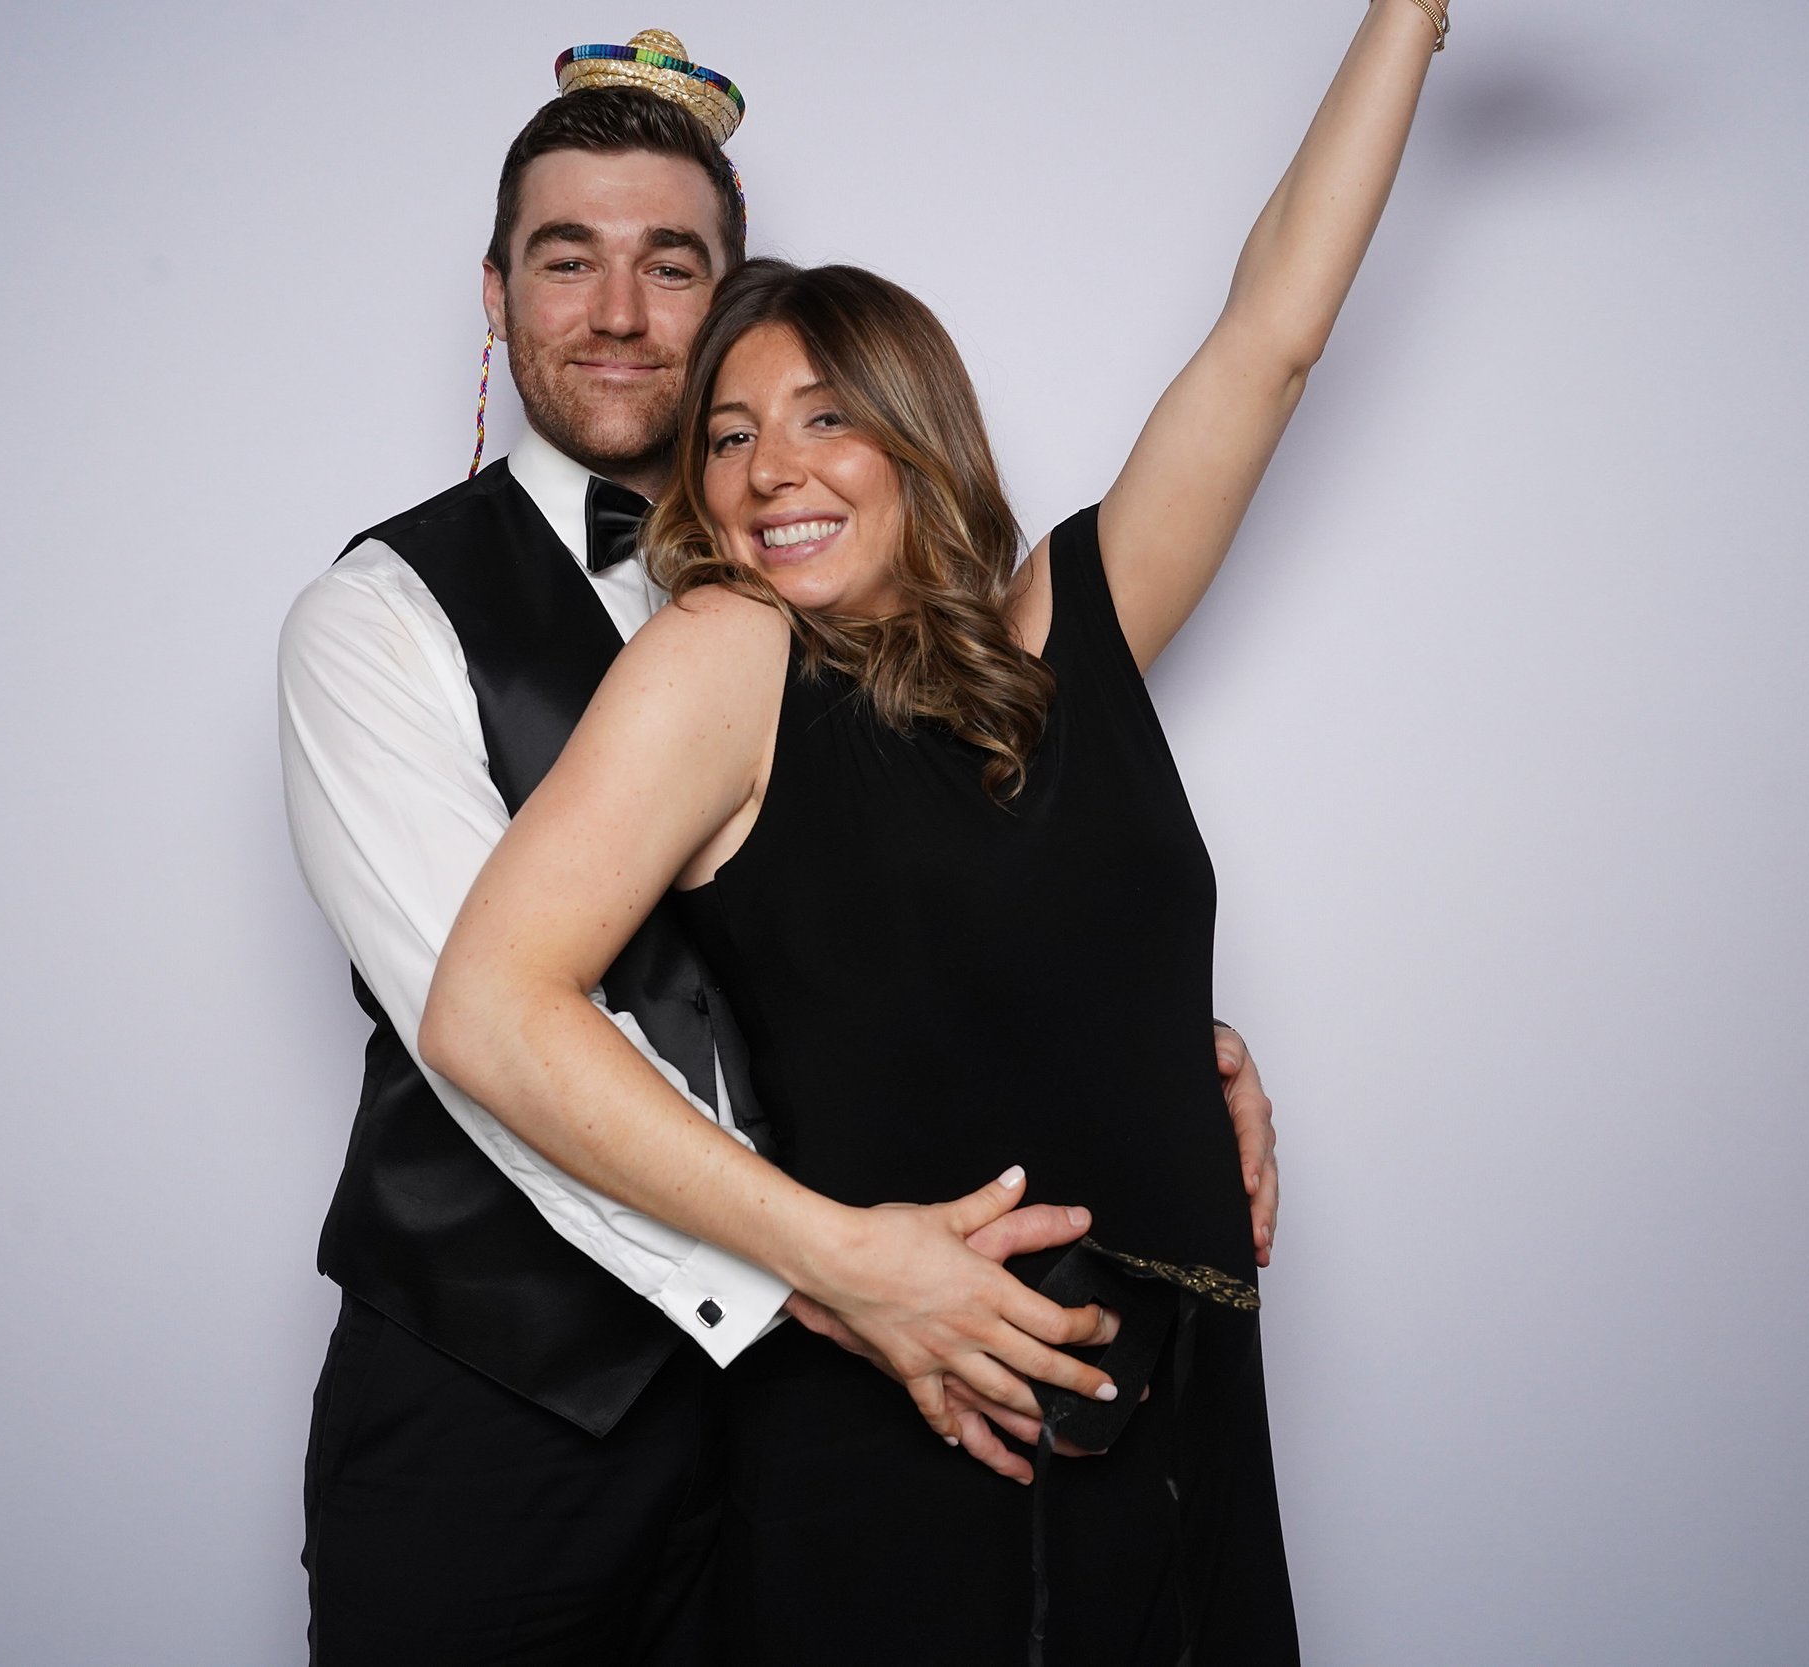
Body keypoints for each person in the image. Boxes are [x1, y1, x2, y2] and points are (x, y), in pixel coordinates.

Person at [421, 4, 1449, 1660]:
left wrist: (1408, 19)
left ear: (918, 440)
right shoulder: (726, 658)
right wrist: (836, 1257)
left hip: (1186, 1426)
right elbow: (488, 1003)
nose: (771, 470)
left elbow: (1271, 335)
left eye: (826, 416)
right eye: (731, 435)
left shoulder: (1066, 644)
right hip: (937, 1432)